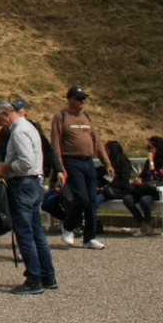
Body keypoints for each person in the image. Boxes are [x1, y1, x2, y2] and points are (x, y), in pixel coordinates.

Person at [0, 102, 57, 295]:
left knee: (25, 233)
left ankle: (34, 279)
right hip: (35, 183)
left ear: (5, 113)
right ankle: (48, 275)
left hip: (23, 184)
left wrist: (5, 167)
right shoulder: (30, 127)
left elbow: (26, 162)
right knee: (37, 233)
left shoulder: (18, 131)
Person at [51, 86, 113, 250]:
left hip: (88, 162)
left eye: (84, 99)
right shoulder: (61, 116)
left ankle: (90, 237)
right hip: (72, 161)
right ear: (70, 100)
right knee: (81, 198)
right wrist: (60, 167)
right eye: (79, 99)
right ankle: (68, 225)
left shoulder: (86, 117)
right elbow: (55, 144)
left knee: (92, 201)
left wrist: (106, 163)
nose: (82, 102)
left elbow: (97, 141)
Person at [122, 136, 163, 236]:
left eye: (150, 148)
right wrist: (138, 180)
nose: (149, 150)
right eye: (148, 148)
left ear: (158, 148)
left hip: (160, 190)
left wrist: (151, 162)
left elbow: (157, 178)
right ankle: (145, 224)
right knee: (127, 199)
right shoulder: (149, 161)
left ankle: (147, 225)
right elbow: (143, 175)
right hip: (146, 189)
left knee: (144, 200)